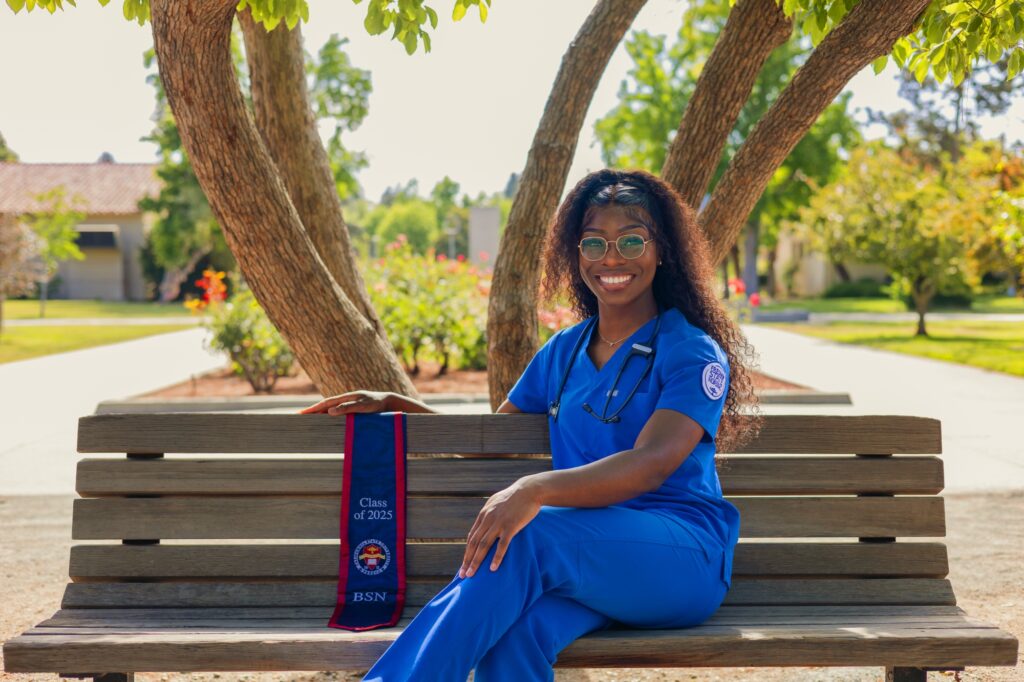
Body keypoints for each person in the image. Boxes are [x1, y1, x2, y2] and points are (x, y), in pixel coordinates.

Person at [299, 168, 762, 681]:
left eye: (632, 240)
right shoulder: (563, 352)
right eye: (593, 243)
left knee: (527, 531)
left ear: (662, 251)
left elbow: (651, 464)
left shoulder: (691, 351)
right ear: (575, 253)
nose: (612, 258)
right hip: (586, 560)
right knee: (513, 634)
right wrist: (399, 405)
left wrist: (535, 488)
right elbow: (490, 443)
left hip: (679, 559)